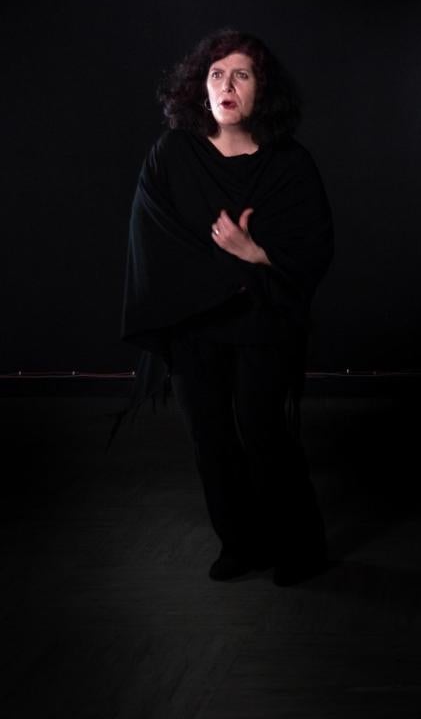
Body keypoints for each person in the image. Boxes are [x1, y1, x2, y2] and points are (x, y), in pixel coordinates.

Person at [121, 29, 334, 585]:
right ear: (200, 86)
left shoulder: (288, 164)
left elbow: (313, 247)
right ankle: (240, 543)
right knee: (209, 435)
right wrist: (236, 268)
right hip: (195, 322)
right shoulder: (173, 153)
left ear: (262, 89)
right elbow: (154, 238)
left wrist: (255, 252)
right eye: (216, 74)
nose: (226, 85)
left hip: (261, 319)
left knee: (264, 429)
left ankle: (300, 547)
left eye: (241, 74)